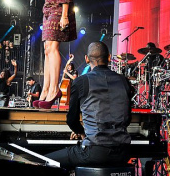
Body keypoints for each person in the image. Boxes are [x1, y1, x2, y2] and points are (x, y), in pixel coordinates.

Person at [46, 41, 131, 169]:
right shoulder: (124, 81)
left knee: (46, 162)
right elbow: (127, 118)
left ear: (86, 59)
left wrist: (82, 132)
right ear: (109, 57)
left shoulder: (81, 82)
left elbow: (71, 120)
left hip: (95, 152)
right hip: (123, 153)